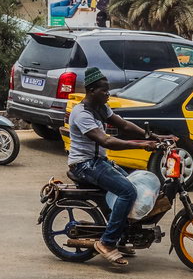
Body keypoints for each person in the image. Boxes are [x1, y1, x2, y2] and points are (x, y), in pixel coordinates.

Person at [67, 67, 171, 267]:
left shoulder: (100, 108)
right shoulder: (81, 114)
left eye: (108, 91)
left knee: (132, 184)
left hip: (99, 162)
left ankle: (120, 236)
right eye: (104, 91)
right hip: (84, 165)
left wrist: (152, 136)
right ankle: (107, 243)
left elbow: (123, 125)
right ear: (91, 91)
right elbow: (106, 141)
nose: (108, 94)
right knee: (127, 191)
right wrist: (142, 146)